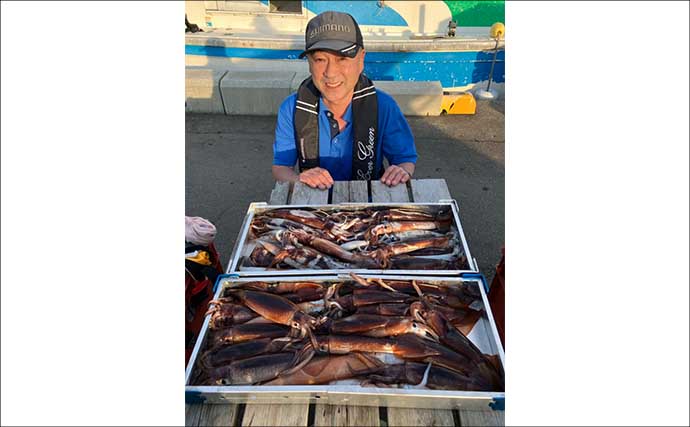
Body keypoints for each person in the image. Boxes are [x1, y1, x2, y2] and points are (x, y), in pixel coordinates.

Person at [272, 11, 417, 189]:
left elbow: (404, 159)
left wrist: (401, 171)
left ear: (361, 59)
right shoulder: (291, 108)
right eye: (320, 59)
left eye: (342, 59)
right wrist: (298, 179)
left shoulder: (384, 106)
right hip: (314, 200)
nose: (331, 73)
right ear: (309, 63)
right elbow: (281, 167)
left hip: (369, 199)